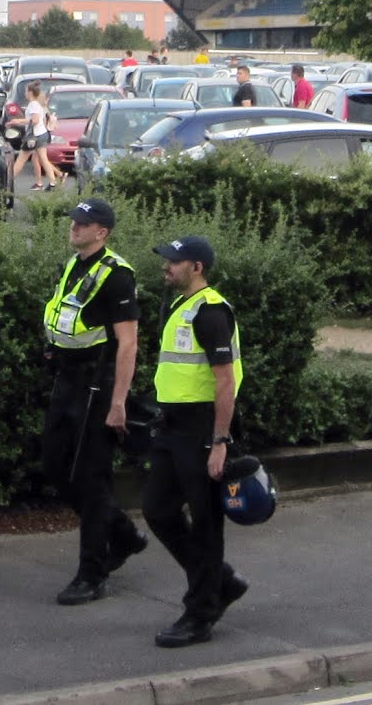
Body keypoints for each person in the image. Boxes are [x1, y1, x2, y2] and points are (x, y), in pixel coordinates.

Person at [41, 199, 148, 605]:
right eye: (74, 221)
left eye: (82, 224)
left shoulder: (117, 275)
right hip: (66, 379)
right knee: (55, 467)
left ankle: (93, 573)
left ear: (101, 232)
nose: (74, 227)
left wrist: (118, 402)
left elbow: (128, 343)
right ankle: (121, 533)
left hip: (95, 387)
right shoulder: (74, 265)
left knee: (91, 479)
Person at [143, 234, 245, 648]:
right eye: (166, 259)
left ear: (196, 267)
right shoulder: (180, 305)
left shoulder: (211, 312)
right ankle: (218, 580)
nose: (166, 266)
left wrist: (220, 441)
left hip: (201, 427)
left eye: (174, 261)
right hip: (172, 426)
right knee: (157, 510)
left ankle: (200, 612)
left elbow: (225, 383)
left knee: (205, 524)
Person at [11, 83, 62, 192]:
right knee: (43, 159)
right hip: (41, 134)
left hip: (34, 137)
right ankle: (53, 183)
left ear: (30, 92)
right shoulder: (36, 104)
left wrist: (18, 121)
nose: (25, 93)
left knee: (21, 159)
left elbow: (35, 120)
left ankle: (8, 181)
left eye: (26, 91)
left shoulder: (33, 105)